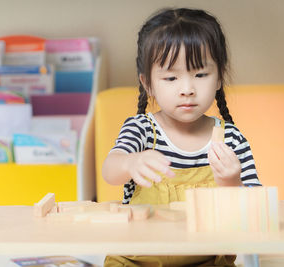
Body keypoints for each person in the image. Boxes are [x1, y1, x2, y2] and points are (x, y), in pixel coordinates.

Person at [102, 7, 261, 267]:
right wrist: (130, 163)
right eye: (171, 77)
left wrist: (232, 183)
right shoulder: (141, 129)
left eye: (200, 74)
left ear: (219, 77)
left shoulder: (230, 138)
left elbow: (254, 213)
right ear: (148, 83)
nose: (187, 89)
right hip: (137, 260)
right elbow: (110, 169)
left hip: (208, 260)